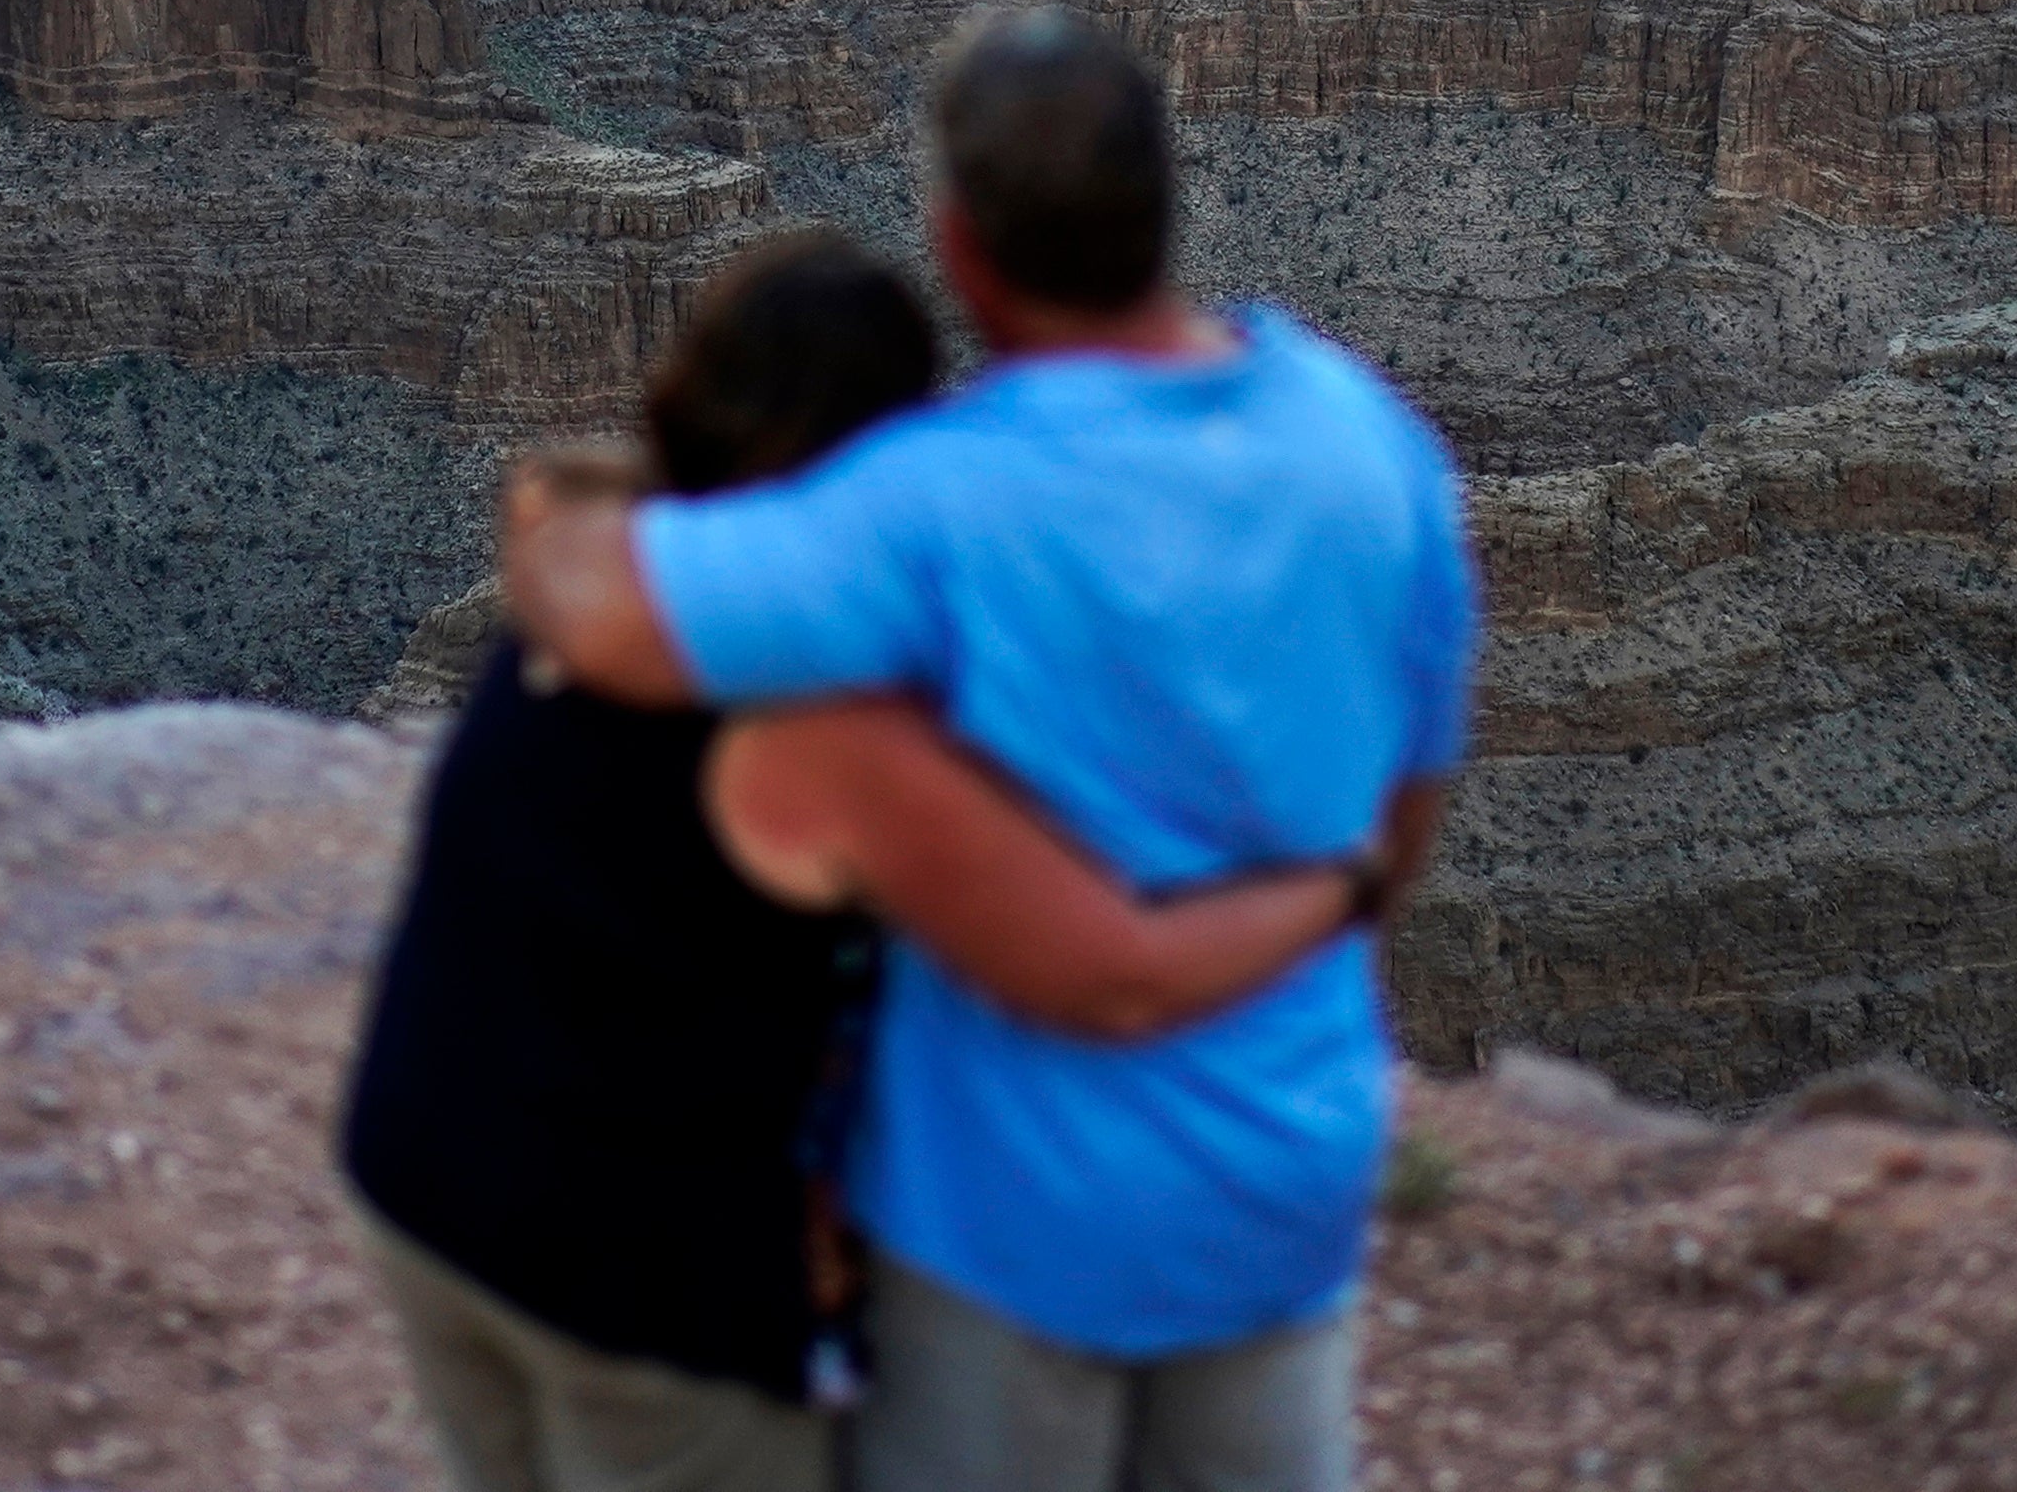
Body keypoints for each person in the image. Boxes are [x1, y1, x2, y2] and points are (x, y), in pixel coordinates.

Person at [506, 12, 1480, 1492]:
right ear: (1166, 198)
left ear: (959, 244)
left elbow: (598, 616)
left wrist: (564, 496)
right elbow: (1402, 822)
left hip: (1008, 1217)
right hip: (1283, 1172)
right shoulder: (1375, 443)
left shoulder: (926, 506)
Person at [344, 232, 1375, 1492]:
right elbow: (1116, 973)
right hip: (628, 1278)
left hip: (422, 1187)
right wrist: (1342, 883)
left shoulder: (601, 565)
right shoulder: (816, 724)